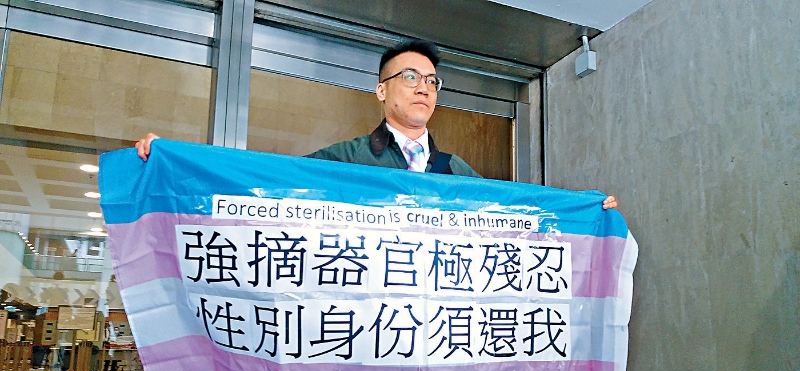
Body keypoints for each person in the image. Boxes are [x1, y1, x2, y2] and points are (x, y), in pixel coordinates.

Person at [134, 39, 618, 209]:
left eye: (432, 81)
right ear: (382, 90)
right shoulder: (348, 159)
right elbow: (272, 183)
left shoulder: (455, 170)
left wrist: (582, 209)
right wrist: (177, 160)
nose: (423, 87)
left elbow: (514, 210)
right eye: (409, 77)